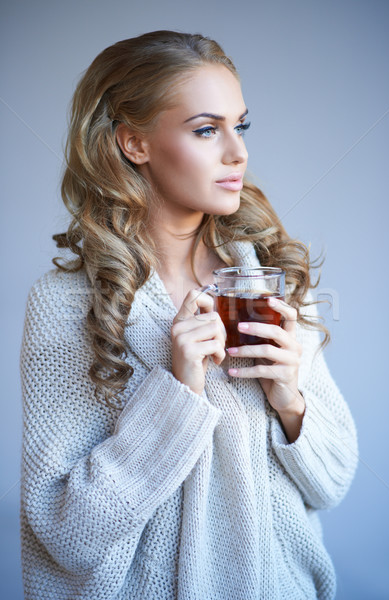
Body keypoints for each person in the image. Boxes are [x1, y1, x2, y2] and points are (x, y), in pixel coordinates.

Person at [20, 30, 358, 600]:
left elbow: (332, 484)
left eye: (239, 125)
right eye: (207, 130)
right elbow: (66, 530)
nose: (238, 152)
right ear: (134, 143)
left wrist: (290, 400)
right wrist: (178, 391)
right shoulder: (68, 303)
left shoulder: (265, 281)